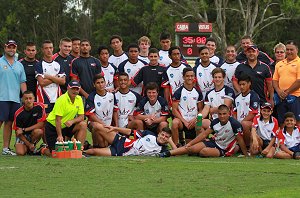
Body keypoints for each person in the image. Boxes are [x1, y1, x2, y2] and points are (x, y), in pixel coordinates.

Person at [159, 105, 249, 158]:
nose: (222, 116)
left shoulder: (234, 123)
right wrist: (191, 144)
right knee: (190, 148)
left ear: (229, 113)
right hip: (214, 142)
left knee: (204, 152)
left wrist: (245, 154)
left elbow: (240, 140)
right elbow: (204, 134)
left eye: (224, 114)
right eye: (220, 114)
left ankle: (197, 151)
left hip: (224, 148)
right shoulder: (215, 122)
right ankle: (167, 153)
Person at [0, 40, 27, 155]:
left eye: (13, 47)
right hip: (1, 98)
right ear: (5, 48)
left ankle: (6, 148)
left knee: (9, 123)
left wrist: (25, 97)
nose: (11, 49)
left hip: (15, 99)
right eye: (9, 47)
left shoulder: (19, 65)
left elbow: (22, 82)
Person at [45, 80, 87, 152]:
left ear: (79, 90)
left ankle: (79, 150)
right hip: (53, 127)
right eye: (72, 88)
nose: (75, 91)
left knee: (83, 124)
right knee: (55, 153)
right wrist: (60, 135)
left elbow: (81, 117)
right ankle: (43, 149)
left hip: (66, 126)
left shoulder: (79, 99)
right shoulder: (61, 99)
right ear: (68, 88)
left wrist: (72, 121)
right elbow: (57, 119)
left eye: (77, 89)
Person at [85, 126, 174, 156]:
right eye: (162, 134)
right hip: (121, 141)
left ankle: (79, 153)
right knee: (97, 127)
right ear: (159, 133)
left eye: (166, 137)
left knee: (93, 151)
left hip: (120, 152)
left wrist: (170, 141)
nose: (163, 137)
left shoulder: (163, 150)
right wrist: (115, 128)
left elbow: (176, 153)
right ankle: (79, 146)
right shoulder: (149, 134)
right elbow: (130, 132)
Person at [171, 67, 203, 145]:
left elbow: (201, 110)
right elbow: (174, 110)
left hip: (193, 122)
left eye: (192, 76)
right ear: (183, 77)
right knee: (174, 123)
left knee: (200, 123)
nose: (190, 78)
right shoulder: (178, 92)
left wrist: (195, 120)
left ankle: (199, 145)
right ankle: (175, 146)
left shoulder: (198, 92)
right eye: (187, 76)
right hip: (182, 122)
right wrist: (184, 121)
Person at [85, 74, 118, 147]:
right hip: (96, 123)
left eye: (102, 82)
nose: (101, 85)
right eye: (98, 83)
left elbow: (115, 110)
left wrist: (116, 126)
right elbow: (91, 115)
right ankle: (95, 145)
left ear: (105, 83)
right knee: (95, 126)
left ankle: (90, 146)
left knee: (105, 145)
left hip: (108, 124)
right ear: (94, 85)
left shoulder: (111, 95)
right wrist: (103, 124)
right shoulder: (91, 97)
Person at [273, 40, 300, 127]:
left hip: (295, 97)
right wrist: (278, 91)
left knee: (296, 122)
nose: (289, 52)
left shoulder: (299, 62)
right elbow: (275, 80)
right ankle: (283, 140)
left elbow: (299, 81)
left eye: (291, 49)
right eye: (287, 49)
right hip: (281, 97)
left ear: (297, 50)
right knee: (282, 122)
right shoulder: (280, 64)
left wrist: (286, 92)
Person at [35, 40, 66, 114]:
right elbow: (42, 82)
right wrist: (56, 78)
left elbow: (63, 81)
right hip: (44, 97)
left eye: (50, 48)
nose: (49, 50)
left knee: (57, 119)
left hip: (57, 97)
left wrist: (49, 77)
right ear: (42, 50)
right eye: (46, 48)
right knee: (45, 121)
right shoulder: (39, 65)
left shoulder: (57, 64)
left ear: (53, 49)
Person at [13, 91, 46, 155]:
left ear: (34, 98)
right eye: (26, 98)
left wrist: (24, 129)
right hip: (23, 135)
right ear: (22, 100)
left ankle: (36, 146)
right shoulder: (18, 113)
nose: (28, 101)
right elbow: (18, 133)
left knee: (39, 131)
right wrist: (28, 144)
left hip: (33, 132)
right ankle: (31, 148)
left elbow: (41, 124)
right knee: (20, 153)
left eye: (30, 98)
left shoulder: (40, 106)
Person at [233, 74, 260, 146]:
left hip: (253, 124)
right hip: (240, 123)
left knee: (244, 124)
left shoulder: (253, 96)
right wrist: (235, 123)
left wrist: (240, 123)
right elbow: (234, 113)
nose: (241, 87)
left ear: (249, 83)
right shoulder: (237, 98)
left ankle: (247, 146)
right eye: (240, 84)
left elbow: (253, 114)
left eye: (243, 84)